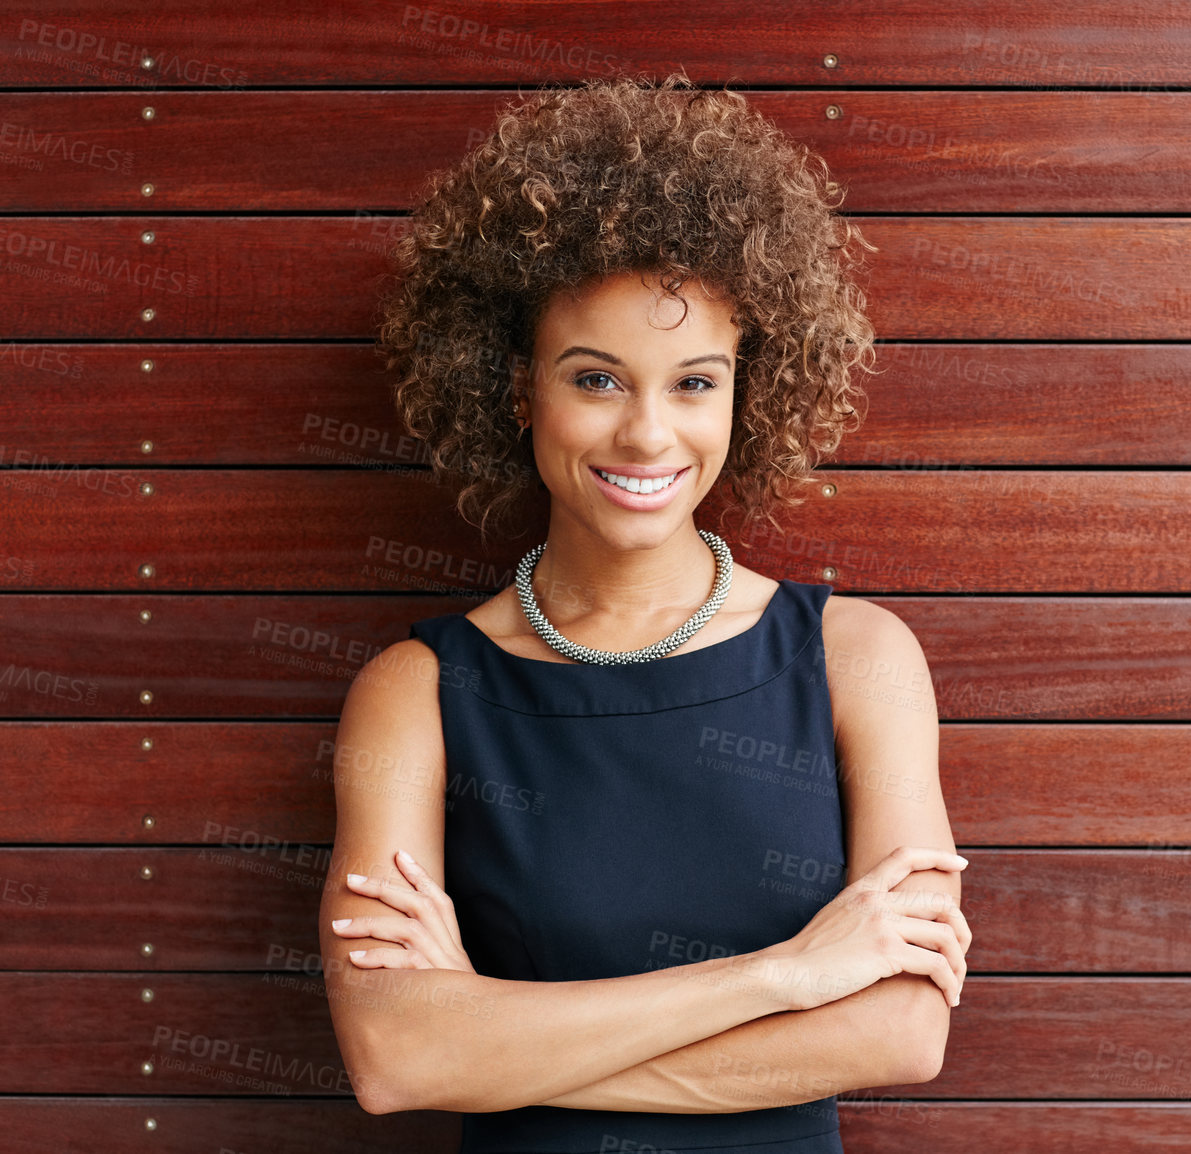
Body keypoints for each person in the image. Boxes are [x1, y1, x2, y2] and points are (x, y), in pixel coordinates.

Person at [317, 72, 971, 1154]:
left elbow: (902, 1029)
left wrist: (496, 1044)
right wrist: (783, 976)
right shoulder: (419, 692)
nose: (647, 435)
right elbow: (396, 1059)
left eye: (694, 382)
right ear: (515, 384)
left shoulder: (858, 659)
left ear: (747, 391)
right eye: (596, 378)